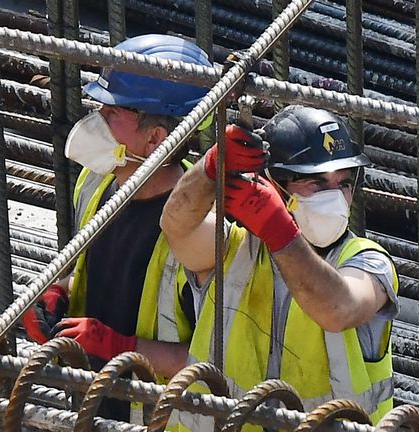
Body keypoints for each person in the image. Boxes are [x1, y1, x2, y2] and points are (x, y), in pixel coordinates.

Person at [160, 105, 399, 427]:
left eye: (343, 183)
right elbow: (177, 225)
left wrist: (279, 231)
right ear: (272, 184)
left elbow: (339, 309)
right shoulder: (232, 251)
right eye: (315, 182)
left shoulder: (367, 261)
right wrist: (209, 170)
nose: (335, 197)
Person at [22, 34, 213, 423]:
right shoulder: (97, 184)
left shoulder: (201, 228)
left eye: (112, 113)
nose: (97, 121)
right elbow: (100, 271)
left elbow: (212, 359)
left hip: (162, 418)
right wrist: (58, 292)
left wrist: (119, 346)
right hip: (96, 408)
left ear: (155, 139)